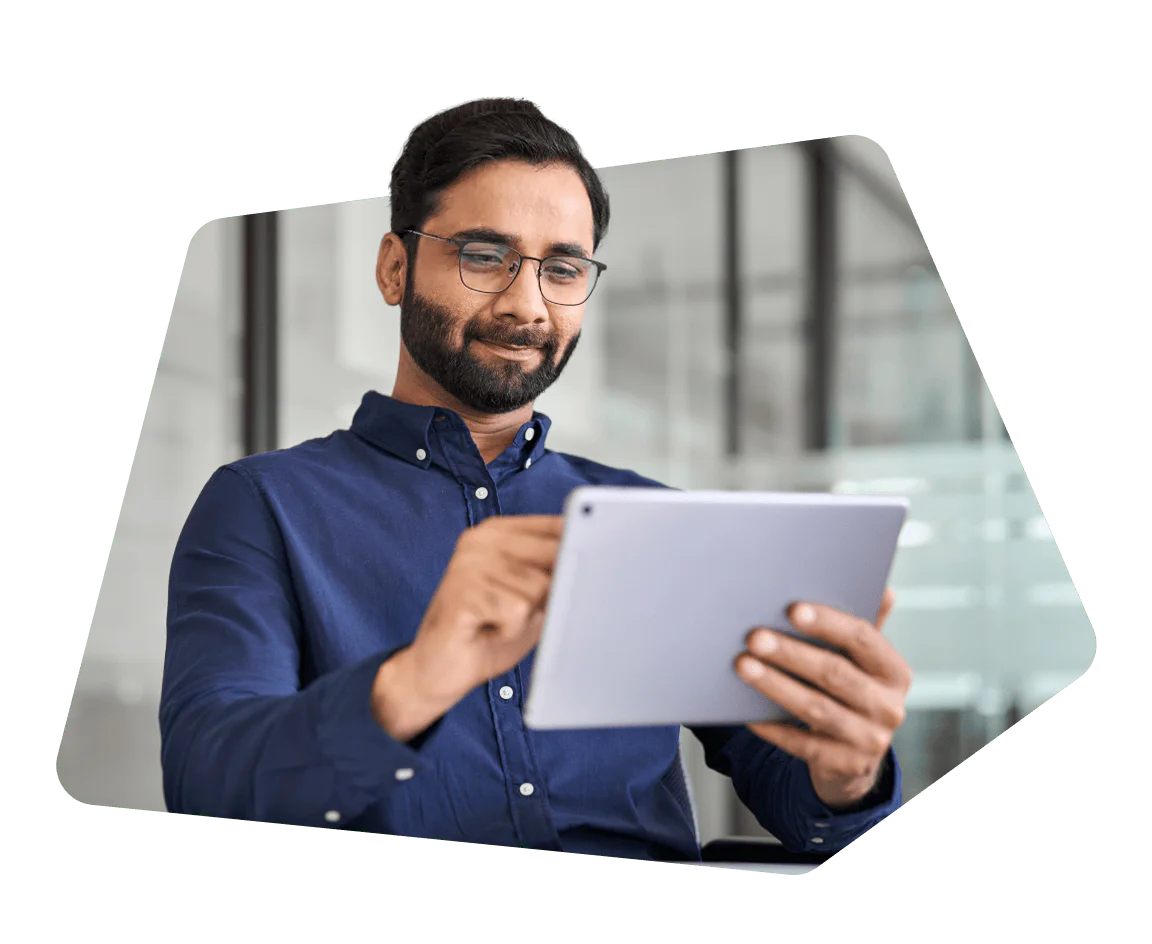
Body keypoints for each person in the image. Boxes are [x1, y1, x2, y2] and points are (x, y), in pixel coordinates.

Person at [159, 96, 912, 863]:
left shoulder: (650, 520)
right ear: (395, 267)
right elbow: (205, 785)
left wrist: (846, 772)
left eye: (562, 268)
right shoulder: (262, 506)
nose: (528, 304)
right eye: (484, 256)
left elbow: (802, 799)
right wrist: (413, 684)